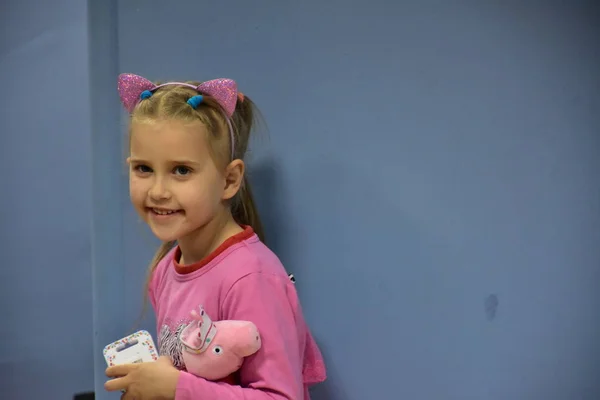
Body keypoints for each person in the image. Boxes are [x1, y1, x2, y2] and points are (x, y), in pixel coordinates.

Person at [104, 73, 327, 400]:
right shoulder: (165, 271)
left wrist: (175, 388)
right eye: (143, 169)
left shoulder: (253, 278)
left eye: (181, 170)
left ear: (229, 180)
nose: (158, 191)